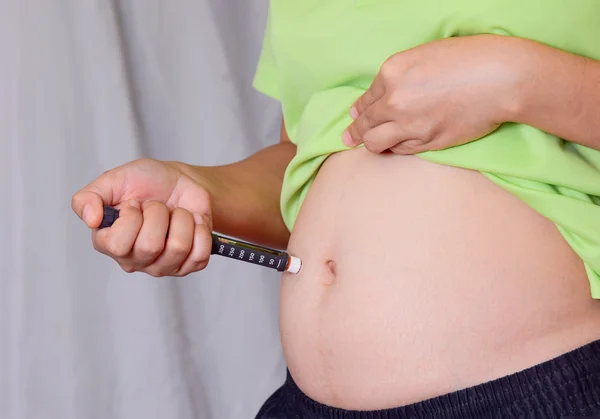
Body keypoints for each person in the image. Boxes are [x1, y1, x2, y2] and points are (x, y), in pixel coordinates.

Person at [72, 1, 600, 418]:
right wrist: (199, 187)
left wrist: (523, 81)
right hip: (304, 402)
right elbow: (308, 162)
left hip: (546, 386)